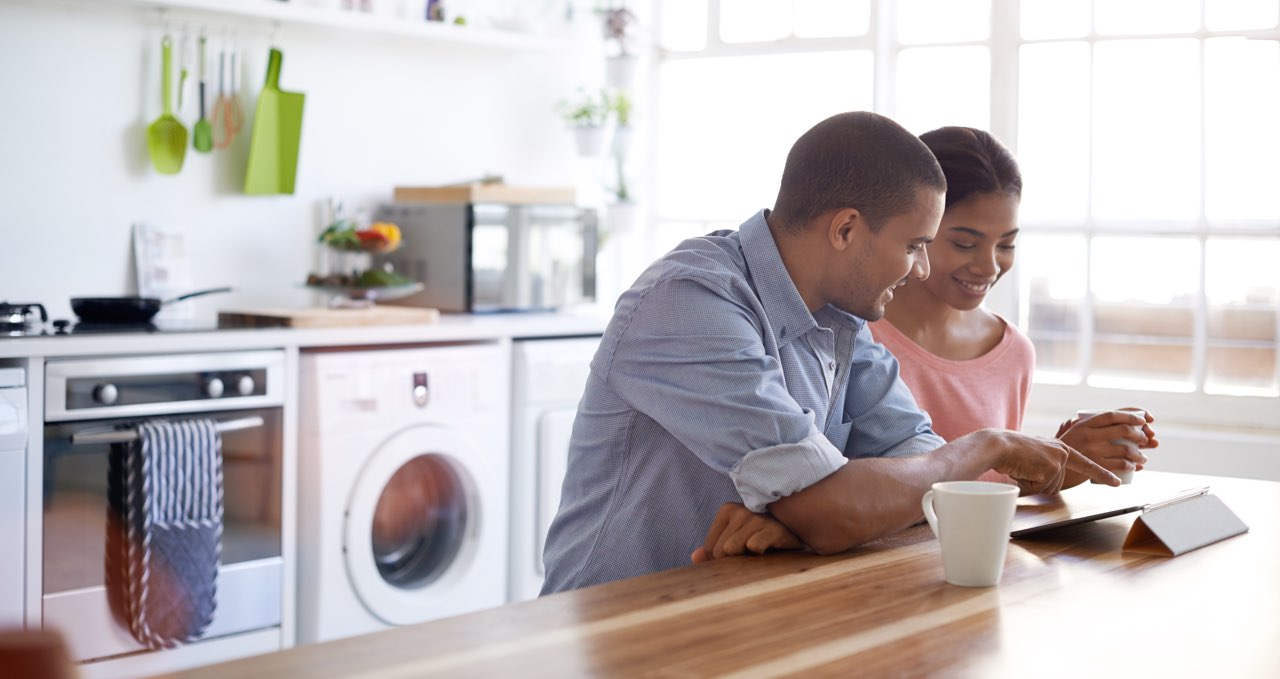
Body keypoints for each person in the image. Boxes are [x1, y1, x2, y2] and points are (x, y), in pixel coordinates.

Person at [539, 112, 1118, 595]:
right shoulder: (689, 302)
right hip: (619, 630)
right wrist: (986, 446)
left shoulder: (841, 313)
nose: (920, 268)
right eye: (915, 245)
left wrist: (807, 520)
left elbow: (915, 464)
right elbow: (846, 506)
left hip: (741, 613)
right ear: (845, 229)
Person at [867, 126, 1156, 492]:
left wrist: (1059, 463)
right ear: (916, 228)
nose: (988, 267)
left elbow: (991, 495)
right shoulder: (855, 337)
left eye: (1007, 245)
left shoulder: (1012, 351)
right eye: (965, 243)